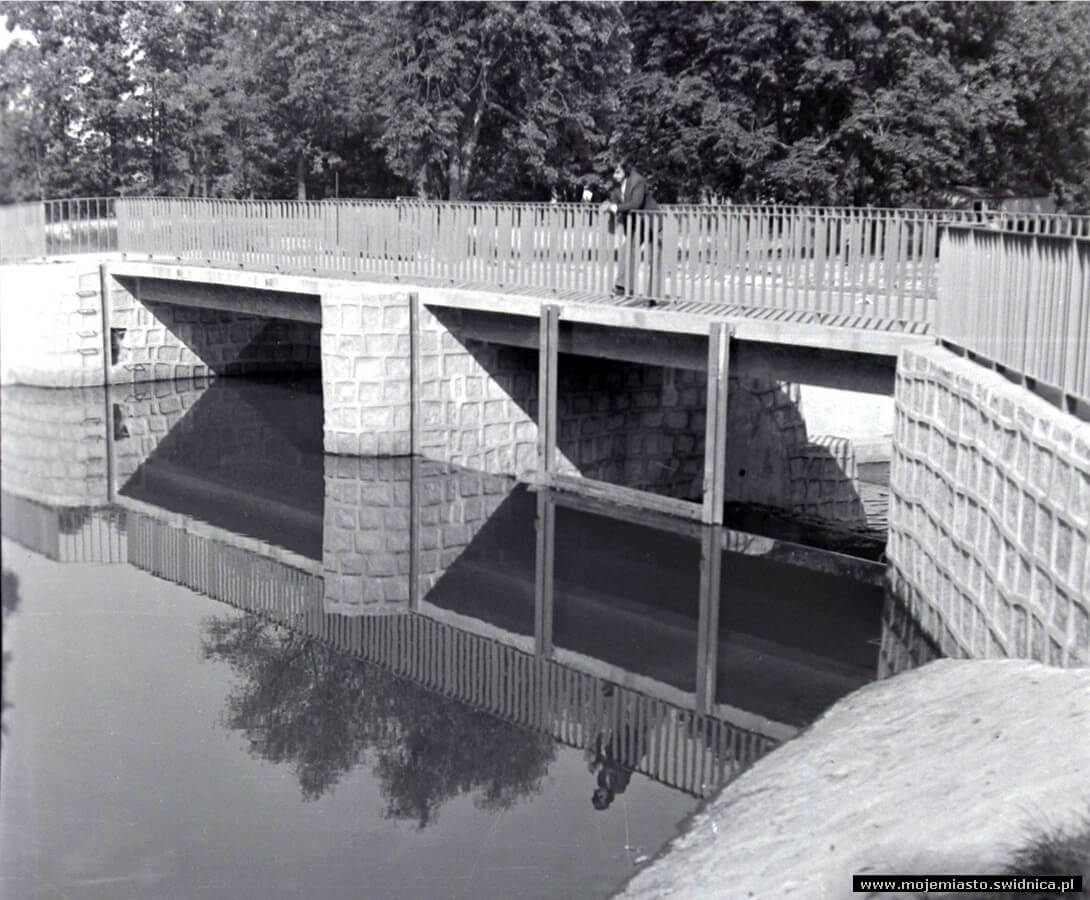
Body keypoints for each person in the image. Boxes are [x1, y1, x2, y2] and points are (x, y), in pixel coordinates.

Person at [602, 160, 659, 297]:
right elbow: (615, 202)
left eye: (617, 172)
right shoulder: (616, 187)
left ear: (625, 171)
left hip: (652, 223)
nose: (615, 175)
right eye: (613, 173)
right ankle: (623, 287)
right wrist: (608, 205)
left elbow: (636, 203)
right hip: (637, 225)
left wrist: (614, 207)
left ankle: (653, 295)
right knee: (626, 251)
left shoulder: (637, 180)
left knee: (655, 258)